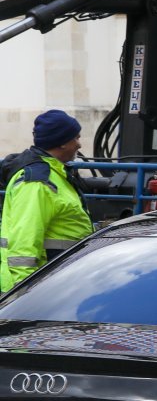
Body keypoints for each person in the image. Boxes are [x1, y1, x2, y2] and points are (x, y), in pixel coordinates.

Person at [0, 109, 93, 293]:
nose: (79, 144)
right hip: (40, 287)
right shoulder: (37, 182)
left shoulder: (53, 174)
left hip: (55, 279)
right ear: (62, 143)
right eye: (76, 138)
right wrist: (25, 294)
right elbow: (23, 244)